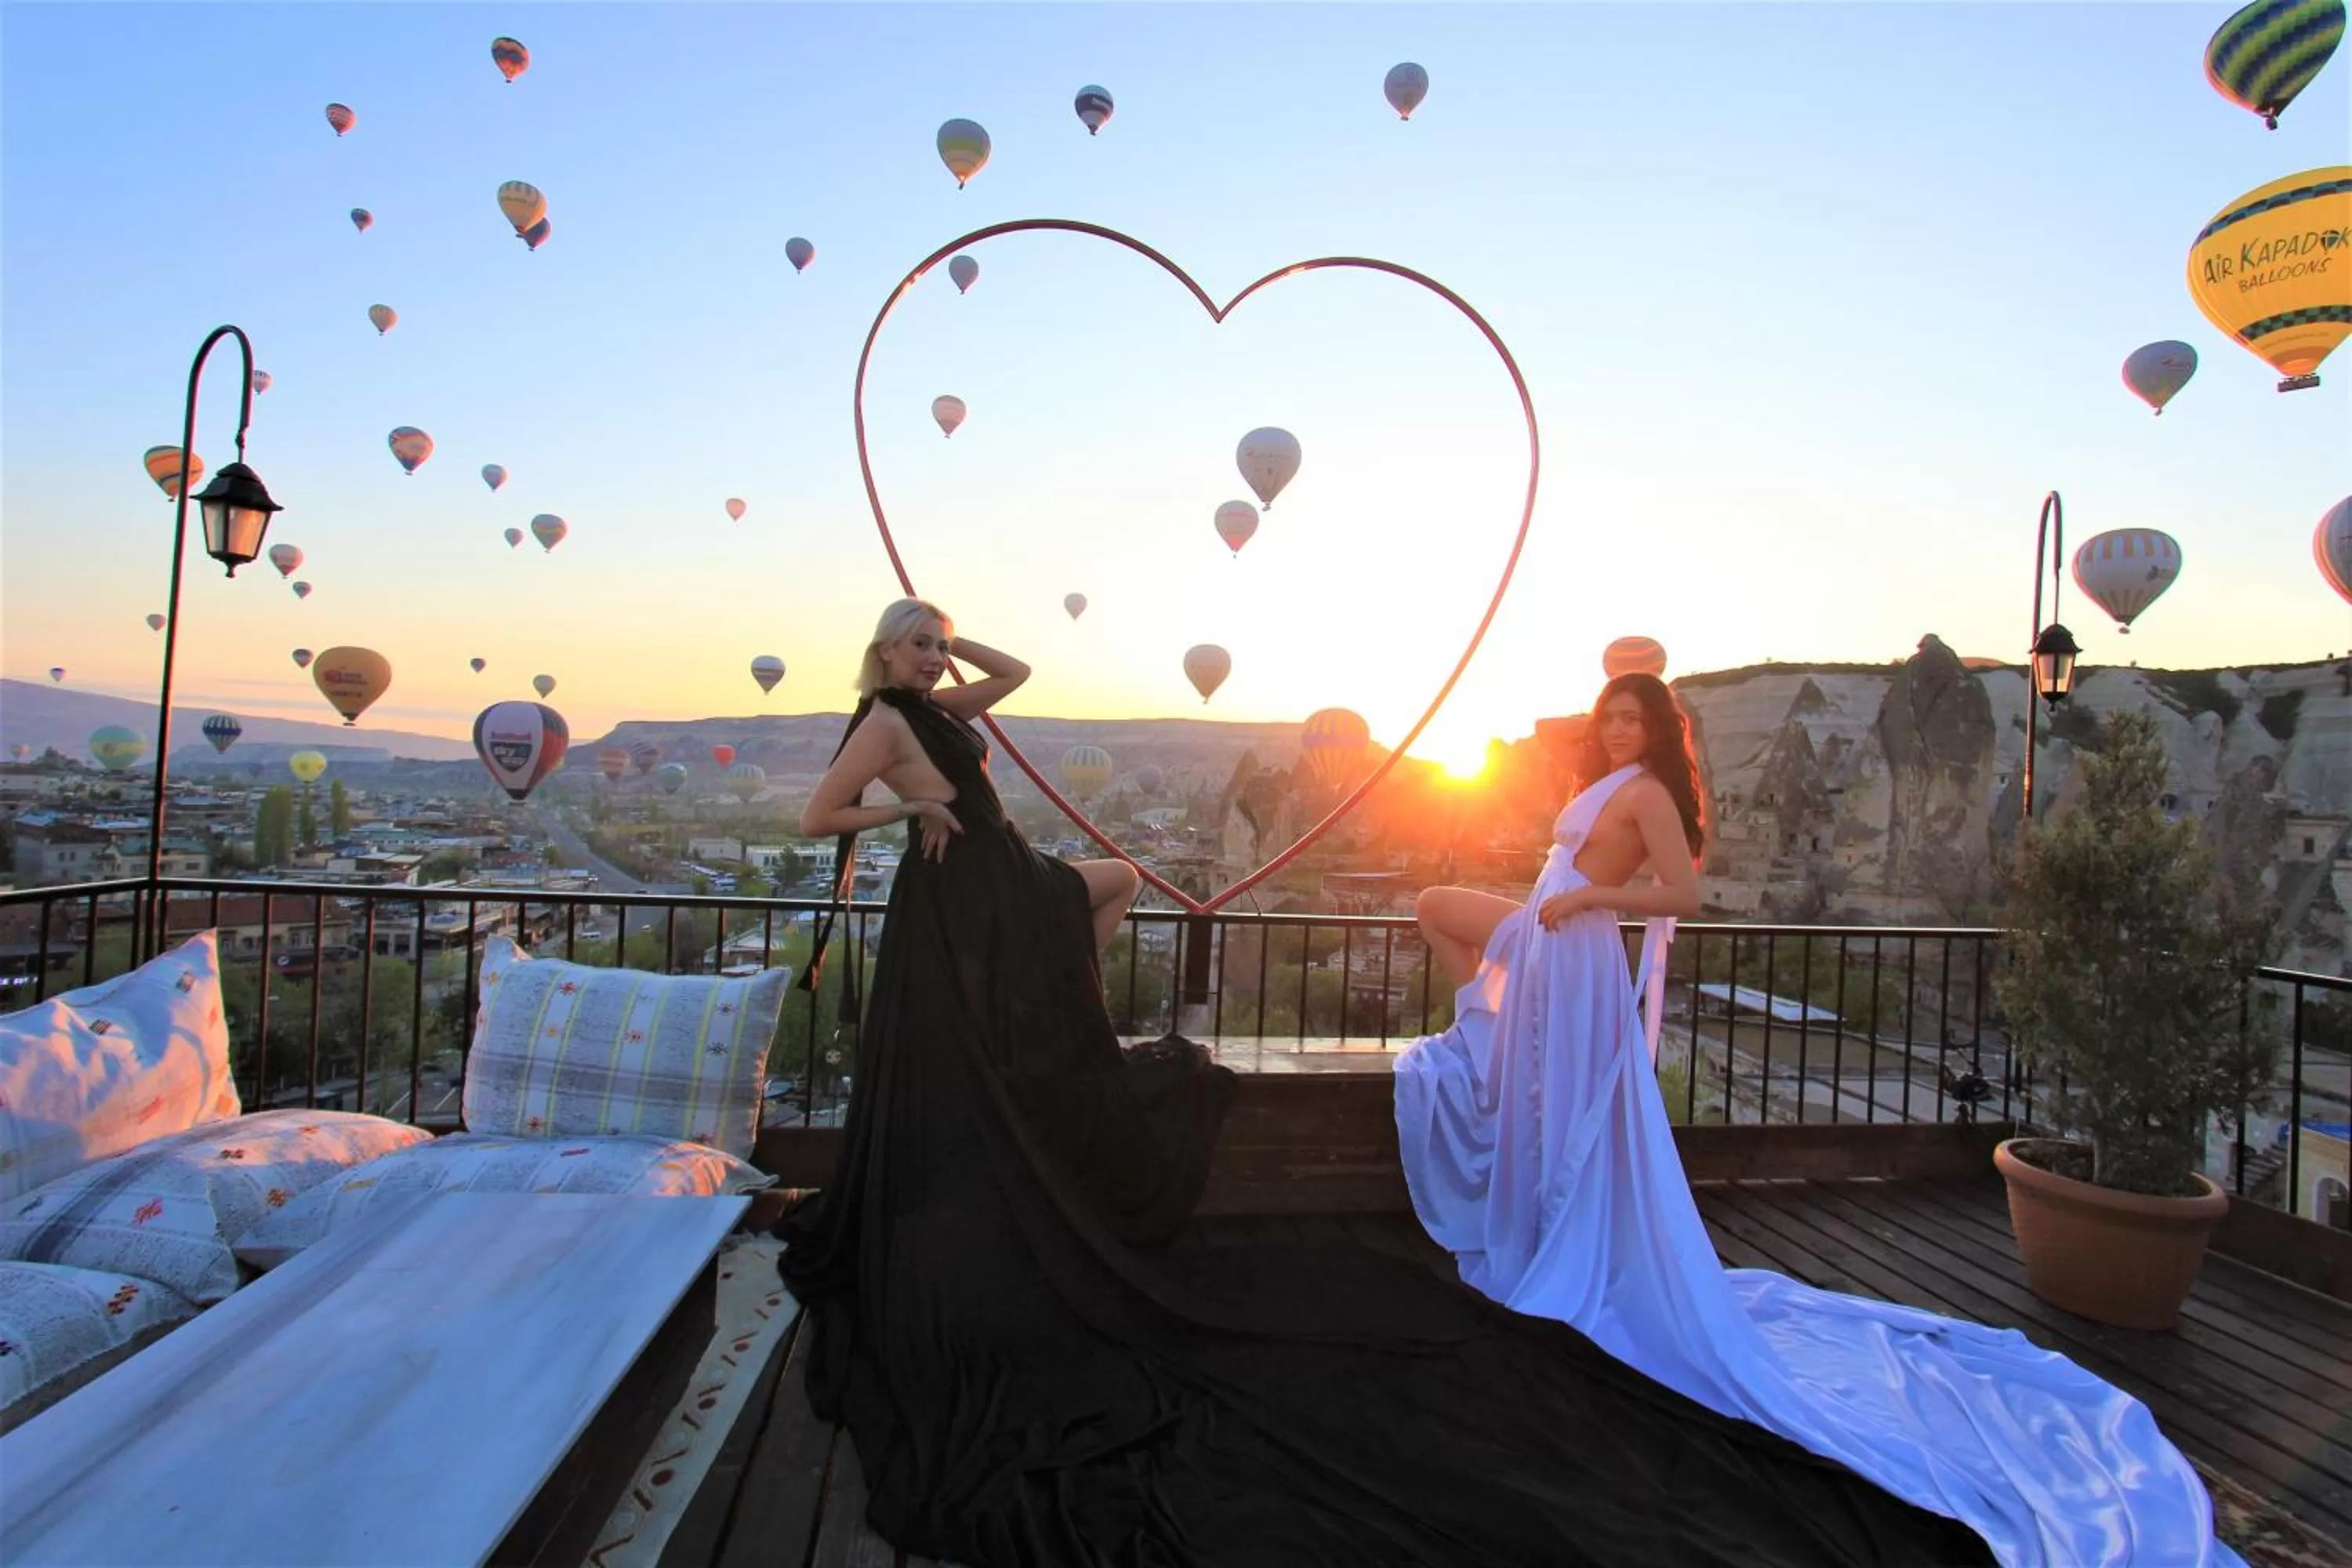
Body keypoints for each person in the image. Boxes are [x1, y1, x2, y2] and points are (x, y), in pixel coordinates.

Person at [772, 601, 1986, 1567]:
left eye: (938, 641)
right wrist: (908, 808)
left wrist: (943, 642)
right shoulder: (888, 717)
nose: (935, 655)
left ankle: (1082, 1026)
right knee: (1145, 894)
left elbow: (1015, 676)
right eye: (917, 642)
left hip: (1023, 877)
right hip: (963, 880)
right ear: (882, 653)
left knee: (1130, 888)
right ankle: (1435, 1047)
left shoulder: (941, 698)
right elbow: (821, 809)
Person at [1399, 673, 2243, 1567]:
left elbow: (1683, 893)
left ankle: (1549, 1199)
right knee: (1437, 910)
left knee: (1552, 1090)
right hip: (1547, 937)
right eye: (1608, 713)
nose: (1615, 728)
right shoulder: (1599, 785)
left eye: (1631, 716)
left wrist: (1589, 900)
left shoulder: (1648, 792)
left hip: (1574, 950)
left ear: (1656, 729)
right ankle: (1485, 1041)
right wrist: (1557, 901)